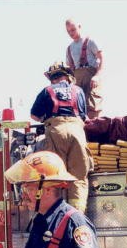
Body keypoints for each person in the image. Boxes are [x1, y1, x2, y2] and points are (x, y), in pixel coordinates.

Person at [31, 61, 92, 213]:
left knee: (54, 177)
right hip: (77, 131)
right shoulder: (78, 91)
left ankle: (56, 217)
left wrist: (47, 118)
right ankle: (77, 216)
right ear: (68, 76)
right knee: (78, 177)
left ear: (52, 79)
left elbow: (34, 115)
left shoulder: (46, 91)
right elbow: (83, 116)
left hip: (55, 131)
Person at [65, 18, 104, 119]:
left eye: (73, 30)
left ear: (79, 27)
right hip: (77, 81)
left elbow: (102, 58)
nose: (71, 33)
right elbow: (69, 68)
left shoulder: (90, 41)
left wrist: (97, 76)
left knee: (92, 109)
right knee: (77, 111)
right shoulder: (69, 48)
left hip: (91, 79)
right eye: (68, 31)